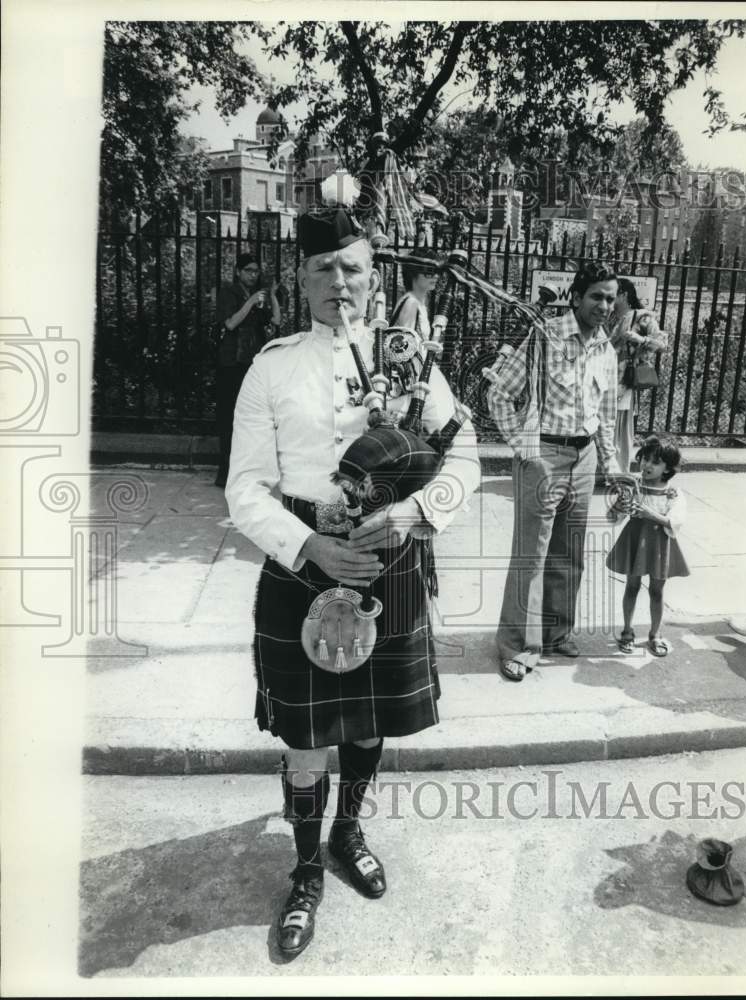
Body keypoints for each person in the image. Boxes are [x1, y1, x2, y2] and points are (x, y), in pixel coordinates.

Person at [225, 209, 480, 958]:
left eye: (352, 268)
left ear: (375, 277)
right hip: (303, 566)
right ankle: (305, 870)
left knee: (370, 723)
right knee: (306, 737)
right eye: (322, 270)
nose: (339, 282)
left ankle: (347, 830)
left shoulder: (414, 361)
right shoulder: (271, 365)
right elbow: (243, 489)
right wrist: (308, 547)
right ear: (300, 280)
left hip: (389, 556)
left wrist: (413, 513)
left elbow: (463, 458)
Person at [487, 260, 620, 681]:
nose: (604, 305)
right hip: (544, 453)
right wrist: (524, 449)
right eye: (597, 296)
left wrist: (611, 465)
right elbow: (500, 394)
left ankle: (556, 632)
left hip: (585, 459)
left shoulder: (607, 350)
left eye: (611, 298)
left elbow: (607, 415)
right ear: (576, 297)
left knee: (570, 552)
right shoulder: (544, 336)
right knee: (532, 555)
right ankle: (516, 645)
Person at [606, 435, 690, 657]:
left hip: (659, 545)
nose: (647, 465)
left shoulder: (673, 493)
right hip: (635, 541)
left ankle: (655, 633)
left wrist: (650, 513)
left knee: (656, 590)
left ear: (667, 468)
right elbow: (613, 518)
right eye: (644, 459)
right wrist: (619, 504)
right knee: (631, 586)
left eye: (655, 462)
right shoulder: (634, 487)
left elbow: (675, 521)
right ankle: (627, 630)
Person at [214, 252, 281, 488]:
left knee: (252, 417)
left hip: (252, 363)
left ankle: (247, 470)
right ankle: (225, 472)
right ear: (238, 272)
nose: (253, 275)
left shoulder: (256, 295)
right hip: (231, 362)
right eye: (248, 271)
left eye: (256, 271)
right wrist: (251, 302)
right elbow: (230, 323)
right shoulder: (229, 292)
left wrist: (271, 295)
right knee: (229, 416)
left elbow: (276, 321)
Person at [607, 277, 667, 475]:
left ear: (623, 294)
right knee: (604, 425)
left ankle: (619, 472)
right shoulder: (609, 316)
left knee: (619, 427)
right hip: (602, 377)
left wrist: (640, 339)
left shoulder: (642, 317)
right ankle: (604, 470)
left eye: (613, 293)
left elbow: (662, 345)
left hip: (623, 380)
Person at [390, 248, 439, 338]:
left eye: (437, 271)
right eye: (429, 271)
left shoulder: (417, 303)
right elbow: (407, 346)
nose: (436, 276)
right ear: (413, 273)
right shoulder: (411, 303)